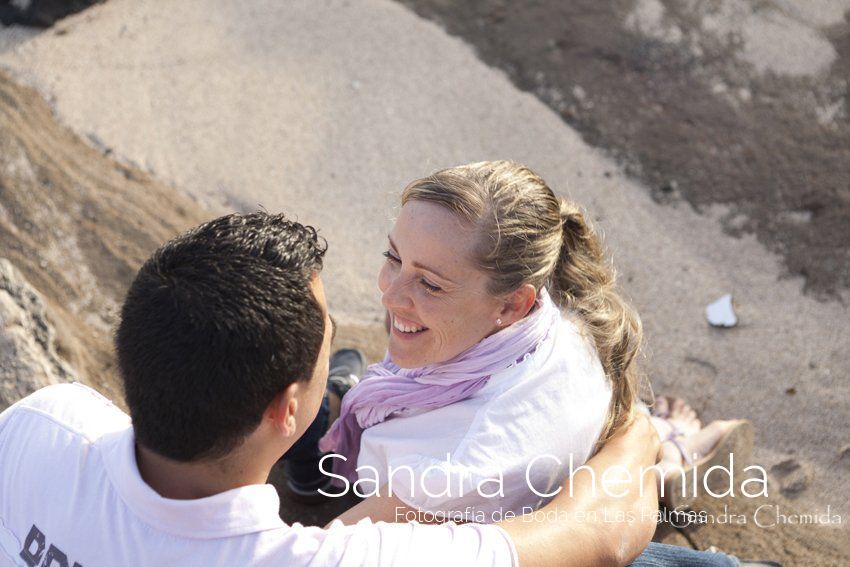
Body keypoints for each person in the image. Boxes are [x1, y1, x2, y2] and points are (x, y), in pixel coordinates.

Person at [0, 211, 758, 566]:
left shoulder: (44, 423)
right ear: (284, 408)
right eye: (328, 342)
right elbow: (594, 535)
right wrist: (638, 436)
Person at [304, 161, 748, 524]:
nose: (390, 293)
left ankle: (650, 475)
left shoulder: (450, 469)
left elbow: (329, 554)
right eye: (393, 258)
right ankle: (662, 454)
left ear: (513, 305)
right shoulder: (561, 311)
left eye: (430, 285)